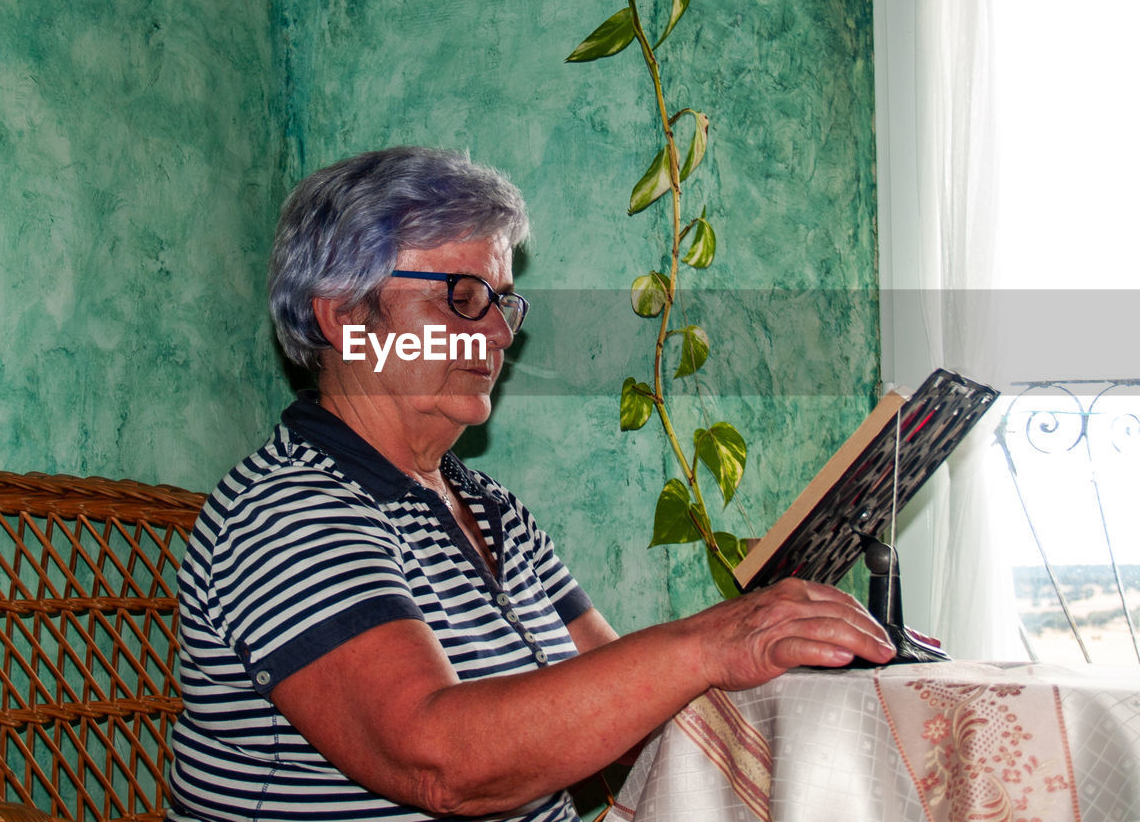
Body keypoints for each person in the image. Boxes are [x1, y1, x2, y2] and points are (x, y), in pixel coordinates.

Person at [166, 147, 894, 822]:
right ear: (343, 315)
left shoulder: (491, 510)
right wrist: (706, 644)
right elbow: (436, 761)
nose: (498, 335)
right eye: (460, 297)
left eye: (501, 301)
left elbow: (622, 709)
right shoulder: (287, 511)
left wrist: (778, 662)